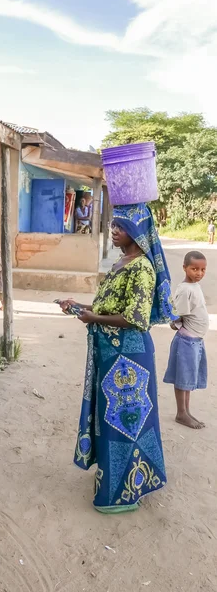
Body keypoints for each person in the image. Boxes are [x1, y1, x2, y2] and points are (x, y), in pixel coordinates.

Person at [59, 203, 176, 514]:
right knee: (111, 418)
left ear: (136, 231)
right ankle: (113, 477)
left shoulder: (142, 268)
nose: (113, 231)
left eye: (120, 227)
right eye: (112, 225)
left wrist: (92, 319)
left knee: (126, 423)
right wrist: (77, 307)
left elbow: (135, 318)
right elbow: (107, 308)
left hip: (129, 357)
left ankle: (126, 491)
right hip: (113, 353)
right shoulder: (122, 262)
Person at [163, 251, 208, 429]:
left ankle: (186, 411)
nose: (199, 273)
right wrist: (177, 325)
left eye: (203, 270)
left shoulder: (195, 286)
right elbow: (176, 315)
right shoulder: (184, 289)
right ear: (184, 268)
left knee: (188, 378)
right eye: (194, 269)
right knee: (182, 378)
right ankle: (181, 413)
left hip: (196, 341)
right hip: (187, 341)